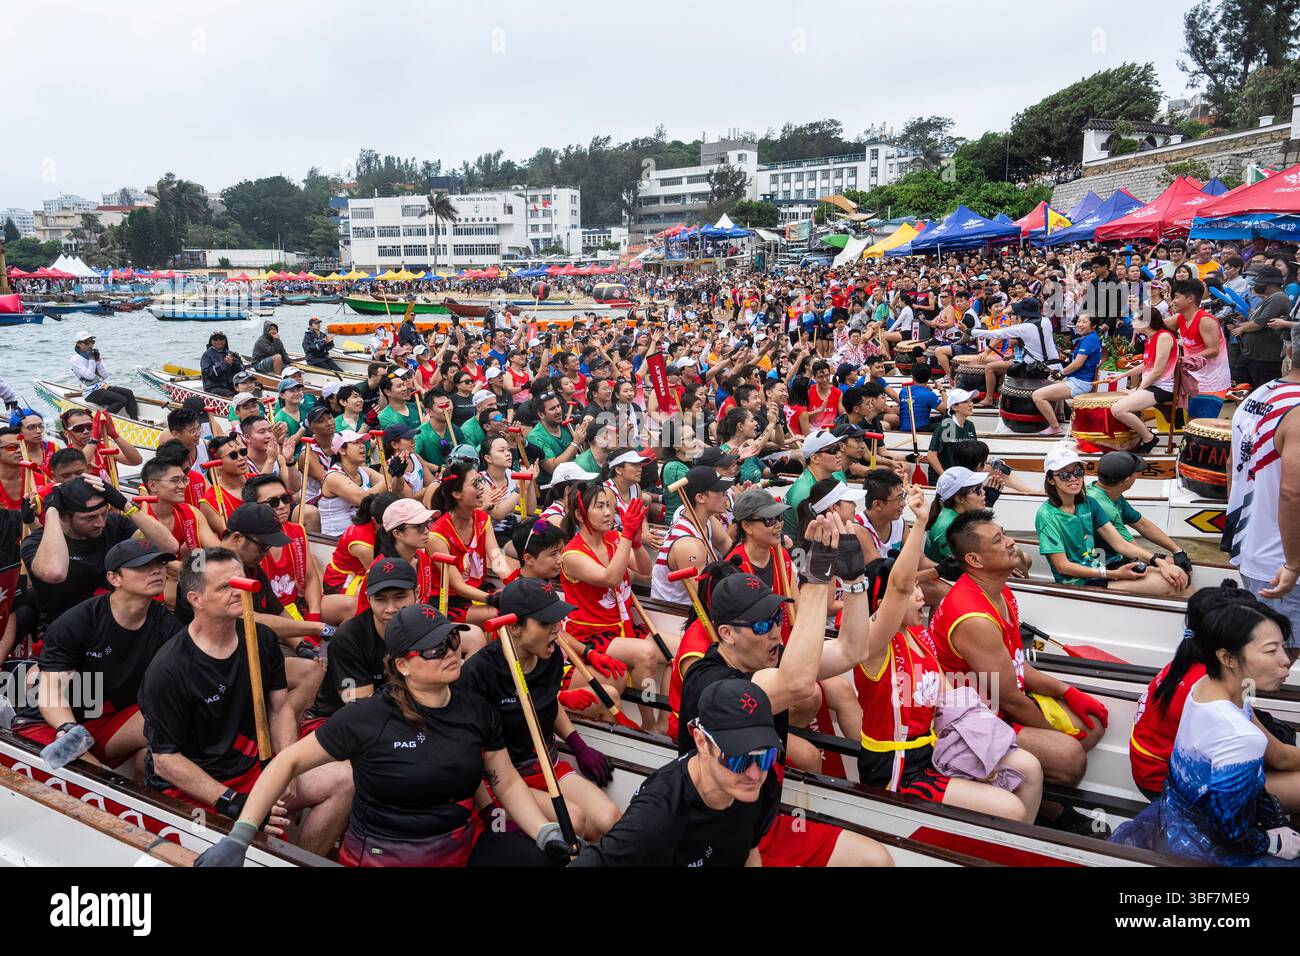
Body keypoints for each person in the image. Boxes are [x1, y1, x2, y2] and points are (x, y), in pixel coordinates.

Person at [194, 603, 571, 867]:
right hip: (385, 858)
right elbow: (287, 761)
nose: (452, 652)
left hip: (460, 849)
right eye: (436, 648)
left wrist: (544, 832)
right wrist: (239, 836)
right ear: (404, 664)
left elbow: (504, 781)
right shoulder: (367, 718)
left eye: (453, 641)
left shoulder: (476, 710)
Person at [675, 518, 892, 867]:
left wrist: (854, 582)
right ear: (727, 633)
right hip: (715, 837)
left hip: (761, 823)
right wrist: (818, 577)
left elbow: (852, 650)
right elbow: (797, 683)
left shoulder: (767, 661)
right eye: (761, 625)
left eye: (777, 617)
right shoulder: (710, 681)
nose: (775, 632)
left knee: (875, 859)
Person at [827, 484, 1043, 820]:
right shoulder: (873, 646)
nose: (921, 597)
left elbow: (949, 698)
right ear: (885, 605)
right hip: (897, 769)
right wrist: (921, 523)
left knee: (1029, 767)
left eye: (917, 589)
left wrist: (980, 746)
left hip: (933, 749)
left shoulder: (920, 635)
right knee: (1010, 809)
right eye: (912, 592)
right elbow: (898, 586)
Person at [140, 548, 353, 856]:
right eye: (226, 586)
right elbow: (165, 761)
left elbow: (280, 708)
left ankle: (300, 862)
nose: (240, 590)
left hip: (252, 770)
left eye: (241, 581)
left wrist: (286, 766)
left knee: (345, 778)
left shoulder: (261, 638)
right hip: (197, 787)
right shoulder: (169, 669)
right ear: (195, 599)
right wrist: (234, 803)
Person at [930, 510, 1108, 815]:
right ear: (974, 560)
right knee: (1070, 757)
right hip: (971, 720)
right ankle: (1050, 814)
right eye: (999, 540)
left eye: (1004, 533)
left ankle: (1045, 804)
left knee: (1091, 726)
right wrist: (1054, 735)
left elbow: (1015, 664)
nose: (1011, 542)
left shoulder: (1000, 590)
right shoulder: (974, 616)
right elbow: (1010, 698)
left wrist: (1067, 691)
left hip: (998, 702)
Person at [1112, 600, 1300, 865]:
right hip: (1208, 851)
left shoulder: (1203, 686)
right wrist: (1273, 842)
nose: (1285, 661)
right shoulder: (1242, 737)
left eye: (1283, 647)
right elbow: (1229, 832)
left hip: (1176, 819)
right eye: (1271, 651)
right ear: (1226, 657)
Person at [459, 578, 621, 840]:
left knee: (610, 820)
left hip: (547, 764)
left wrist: (577, 744)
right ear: (514, 626)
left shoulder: (551, 656)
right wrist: (488, 807)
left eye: (557, 621)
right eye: (546, 623)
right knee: (574, 821)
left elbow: (545, 703)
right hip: (502, 781)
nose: (557, 630)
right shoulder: (478, 674)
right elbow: (466, 751)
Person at [571, 679, 782, 867]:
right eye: (739, 759)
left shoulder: (761, 784)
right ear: (701, 742)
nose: (755, 774)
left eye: (765, 756)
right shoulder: (656, 819)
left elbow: (749, 850)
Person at [12, 540, 178, 774]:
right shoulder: (78, 622)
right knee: (96, 776)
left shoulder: (166, 624)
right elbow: (50, 692)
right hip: (50, 724)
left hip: (106, 722)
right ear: (114, 578)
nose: (157, 570)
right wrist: (68, 729)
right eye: (143, 566)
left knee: (174, 721)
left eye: (161, 563)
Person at [560, 481, 664, 731]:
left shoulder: (614, 539)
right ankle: (649, 723)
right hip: (593, 636)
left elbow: (645, 571)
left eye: (609, 505)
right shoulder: (572, 555)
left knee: (678, 650)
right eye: (599, 507)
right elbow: (611, 578)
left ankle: (665, 721)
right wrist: (627, 535)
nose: (608, 512)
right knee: (647, 653)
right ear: (579, 515)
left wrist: (637, 543)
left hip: (624, 627)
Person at [21, 475, 180, 631]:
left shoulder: (113, 525)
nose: (100, 523)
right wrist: (52, 512)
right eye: (89, 518)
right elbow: (54, 573)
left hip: (118, 626)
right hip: (68, 632)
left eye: (103, 513)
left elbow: (169, 547)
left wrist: (125, 505)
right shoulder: (36, 543)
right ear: (64, 516)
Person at [1036, 447, 1189, 595]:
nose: (1074, 478)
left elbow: (1121, 544)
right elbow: (1062, 566)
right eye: (1064, 475)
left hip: (1103, 567)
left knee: (1179, 575)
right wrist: (1112, 574)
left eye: (1078, 472)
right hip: (1077, 582)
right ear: (1050, 480)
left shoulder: (1089, 503)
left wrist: (1159, 562)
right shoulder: (1046, 515)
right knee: (1169, 582)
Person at [1226, 357, 1300, 649]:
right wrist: (1293, 565)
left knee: (1265, 647)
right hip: (1281, 561)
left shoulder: (1258, 394)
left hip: (1251, 546)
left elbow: (1232, 466)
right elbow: (1292, 493)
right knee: (1280, 654)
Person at [299, 556, 418, 737]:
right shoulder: (348, 638)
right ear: (368, 599)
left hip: (401, 713)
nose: (391, 608)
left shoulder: (425, 628)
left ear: (417, 594)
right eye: (381, 599)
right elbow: (362, 712)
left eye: (400, 597)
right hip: (333, 720)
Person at [1087, 451, 1195, 577]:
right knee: (1179, 573)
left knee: (1177, 564)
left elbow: (1142, 524)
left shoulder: (1105, 491)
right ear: (1127, 480)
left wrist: (1177, 550)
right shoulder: (1104, 507)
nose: (1137, 475)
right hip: (1103, 563)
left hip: (1115, 554)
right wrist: (1161, 562)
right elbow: (1129, 547)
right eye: (1136, 472)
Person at [651, 466, 733, 604]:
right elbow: (703, 596)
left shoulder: (704, 518)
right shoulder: (689, 545)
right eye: (720, 492)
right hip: (675, 614)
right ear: (700, 498)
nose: (726, 496)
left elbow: (726, 544)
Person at [1107, 305, 1178, 454]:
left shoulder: (1164, 336)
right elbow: (1146, 365)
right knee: (1115, 405)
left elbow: (1157, 371)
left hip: (1162, 388)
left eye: (1134, 319)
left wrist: (1138, 390)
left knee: (1118, 409)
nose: (1131, 323)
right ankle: (1140, 437)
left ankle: (1148, 438)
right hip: (1152, 385)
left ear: (1146, 322)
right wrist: (1121, 375)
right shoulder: (1150, 338)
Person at [1032, 313, 1102, 435]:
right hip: (1078, 380)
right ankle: (1060, 415)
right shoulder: (1089, 337)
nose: (1079, 324)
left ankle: (1054, 427)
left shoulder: (1090, 340)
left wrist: (1061, 373)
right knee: (1053, 383)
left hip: (1080, 383)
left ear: (1093, 326)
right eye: (1079, 321)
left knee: (1038, 395)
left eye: (1084, 322)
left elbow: (1077, 364)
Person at [1230, 265, 1291, 388]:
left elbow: (1260, 323)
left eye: (1259, 282)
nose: (1256, 285)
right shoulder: (1269, 298)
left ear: (1269, 283)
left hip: (1266, 359)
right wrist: (1240, 324)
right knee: (1242, 383)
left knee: (1264, 390)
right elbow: (1256, 320)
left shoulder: (1278, 298)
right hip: (1254, 356)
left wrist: (1241, 329)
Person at [319, 430, 384, 537]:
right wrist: (390, 474)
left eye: (362, 442)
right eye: (356, 442)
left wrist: (397, 474)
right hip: (337, 537)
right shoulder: (333, 477)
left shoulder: (364, 471)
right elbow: (363, 499)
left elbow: (393, 486)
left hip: (361, 532)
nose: (362, 446)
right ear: (342, 450)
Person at [1172, 277, 1231, 395]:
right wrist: (1140, 297)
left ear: (1190, 299)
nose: (1173, 301)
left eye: (1177, 297)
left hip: (1213, 383)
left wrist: (1183, 360)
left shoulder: (1205, 320)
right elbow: (1152, 326)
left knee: (1201, 415)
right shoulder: (1180, 318)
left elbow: (1213, 350)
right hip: (1194, 380)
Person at [924, 466, 987, 565]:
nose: (984, 493)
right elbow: (968, 565)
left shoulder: (951, 512)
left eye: (983, 487)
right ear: (959, 499)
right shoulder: (951, 527)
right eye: (977, 490)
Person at [69, 331, 139, 418]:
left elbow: (105, 375)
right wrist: (91, 359)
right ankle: (101, 420)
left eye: (92, 341)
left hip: (102, 387)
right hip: (91, 393)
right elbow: (90, 376)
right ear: (79, 344)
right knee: (122, 400)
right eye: (87, 342)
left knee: (128, 392)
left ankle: (135, 420)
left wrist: (98, 361)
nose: (90, 344)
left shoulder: (93, 356)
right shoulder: (75, 360)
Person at [925, 388, 977, 483]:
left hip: (960, 477)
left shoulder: (970, 425)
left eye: (971, 401)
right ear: (954, 407)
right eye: (965, 402)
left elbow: (974, 455)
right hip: (944, 479)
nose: (971, 404)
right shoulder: (948, 427)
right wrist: (945, 476)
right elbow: (931, 456)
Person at [896, 363, 944, 435]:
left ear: (913, 377)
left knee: (939, 418)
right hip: (920, 430)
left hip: (904, 429)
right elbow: (947, 410)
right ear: (930, 376)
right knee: (950, 419)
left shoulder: (904, 391)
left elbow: (918, 402)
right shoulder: (929, 394)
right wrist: (942, 390)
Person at [200, 331, 243, 396]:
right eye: (215, 339)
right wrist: (224, 364)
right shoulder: (206, 355)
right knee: (229, 394)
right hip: (214, 387)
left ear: (225, 341)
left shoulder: (230, 353)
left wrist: (236, 363)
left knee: (250, 387)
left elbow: (241, 371)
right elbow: (208, 374)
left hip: (231, 385)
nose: (218, 341)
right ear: (211, 341)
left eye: (221, 339)